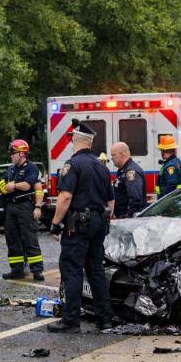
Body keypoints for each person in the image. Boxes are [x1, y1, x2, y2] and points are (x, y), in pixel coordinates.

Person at [48, 119, 113, 333]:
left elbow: (65, 197)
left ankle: (70, 320)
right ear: (90, 143)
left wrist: (56, 223)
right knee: (95, 270)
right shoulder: (102, 167)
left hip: (78, 225)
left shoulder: (72, 165)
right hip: (98, 223)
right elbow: (111, 203)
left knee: (72, 270)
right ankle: (105, 318)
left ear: (74, 140)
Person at [0, 139, 44, 281]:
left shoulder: (31, 168)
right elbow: (4, 182)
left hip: (25, 206)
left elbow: (27, 185)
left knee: (29, 238)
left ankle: (37, 270)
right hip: (11, 206)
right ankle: (17, 270)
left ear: (22, 153)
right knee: (12, 239)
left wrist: (38, 207)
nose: (11, 156)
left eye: (13, 153)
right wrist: (2, 186)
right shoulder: (11, 169)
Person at [110, 142, 146, 219]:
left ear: (121, 154)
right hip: (121, 217)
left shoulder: (131, 172)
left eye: (113, 155)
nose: (111, 158)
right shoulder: (122, 170)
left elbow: (135, 198)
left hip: (128, 219)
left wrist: (129, 217)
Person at [155, 135, 181, 200]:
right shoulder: (177, 162)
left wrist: (164, 201)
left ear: (163, 151)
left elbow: (171, 186)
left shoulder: (170, 166)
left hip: (168, 201)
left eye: (161, 150)